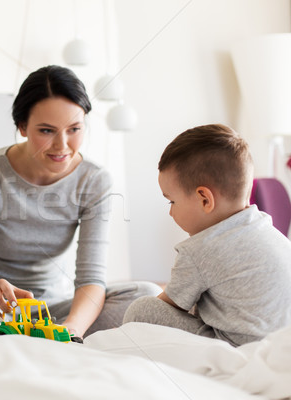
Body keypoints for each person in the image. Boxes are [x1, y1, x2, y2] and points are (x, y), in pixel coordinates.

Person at [0, 65, 161, 342]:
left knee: (147, 296)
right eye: (46, 130)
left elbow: (91, 280)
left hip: (52, 310)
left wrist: (72, 329)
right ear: (22, 127)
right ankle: (20, 343)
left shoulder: (94, 180)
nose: (62, 145)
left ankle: (39, 342)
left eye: (74, 129)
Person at [123, 124, 291, 346]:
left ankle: (124, 339)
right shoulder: (266, 228)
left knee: (142, 309)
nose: (171, 211)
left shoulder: (199, 250)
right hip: (279, 344)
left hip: (234, 350)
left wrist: (123, 329)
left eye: (171, 201)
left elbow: (168, 305)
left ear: (204, 199)